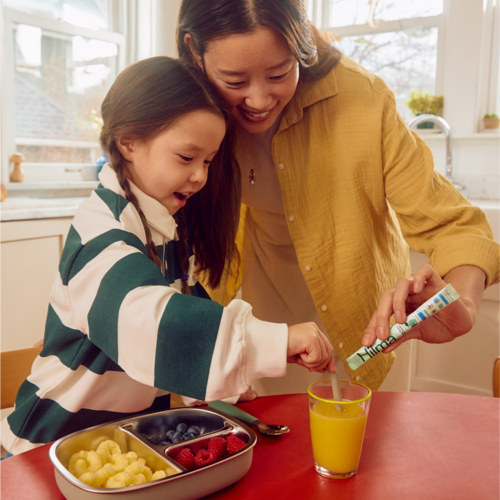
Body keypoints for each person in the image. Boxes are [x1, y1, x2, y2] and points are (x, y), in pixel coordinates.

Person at [0, 57, 335, 456]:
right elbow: (154, 323)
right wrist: (274, 340)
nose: (199, 176)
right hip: (49, 443)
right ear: (129, 142)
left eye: (208, 161)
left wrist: (215, 376)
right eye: (186, 157)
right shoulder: (102, 234)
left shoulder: (162, 225)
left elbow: (187, 303)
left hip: (115, 442)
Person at [176, 0, 500, 394]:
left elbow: (454, 224)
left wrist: (462, 303)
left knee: (370, 445)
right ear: (195, 51)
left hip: (368, 319)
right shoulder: (184, 108)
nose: (259, 100)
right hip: (271, 314)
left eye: (280, 73)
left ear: (300, 45)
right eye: (235, 81)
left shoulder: (360, 98)